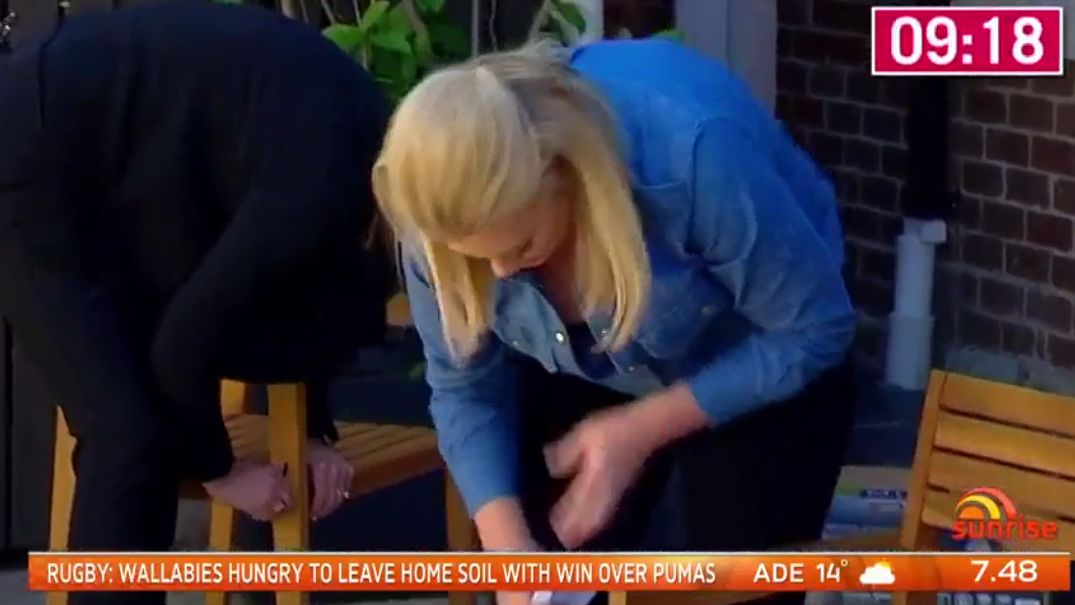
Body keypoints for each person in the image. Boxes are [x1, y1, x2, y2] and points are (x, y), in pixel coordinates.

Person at [374, 39, 857, 605]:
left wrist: (637, 431)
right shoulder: (436, 212)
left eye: (521, 245)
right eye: (477, 258)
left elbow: (815, 328)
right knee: (545, 575)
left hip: (759, 358)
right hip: (576, 370)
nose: (500, 270)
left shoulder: (693, 156)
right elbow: (466, 388)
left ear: (564, 174)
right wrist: (510, 555)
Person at [0, 3, 390, 603]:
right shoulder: (322, 187)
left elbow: (290, 290)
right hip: (30, 149)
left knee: (142, 426)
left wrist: (312, 432)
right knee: (126, 437)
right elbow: (185, 341)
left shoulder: (367, 151)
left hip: (111, 163)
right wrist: (221, 471)